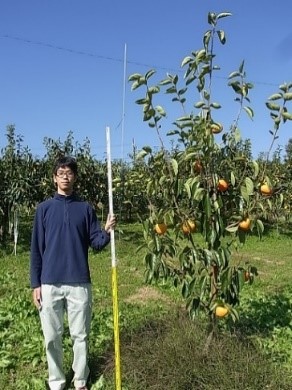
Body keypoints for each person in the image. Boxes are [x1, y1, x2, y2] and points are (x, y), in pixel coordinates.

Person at [30, 156, 116, 390]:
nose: (65, 176)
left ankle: (80, 380)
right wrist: (35, 284)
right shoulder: (44, 210)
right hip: (49, 283)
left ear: (75, 177)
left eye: (69, 173)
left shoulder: (85, 209)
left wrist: (106, 232)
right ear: (54, 178)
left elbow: (95, 242)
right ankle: (56, 381)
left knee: (81, 335)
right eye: (61, 172)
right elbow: (36, 249)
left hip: (79, 282)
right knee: (52, 337)